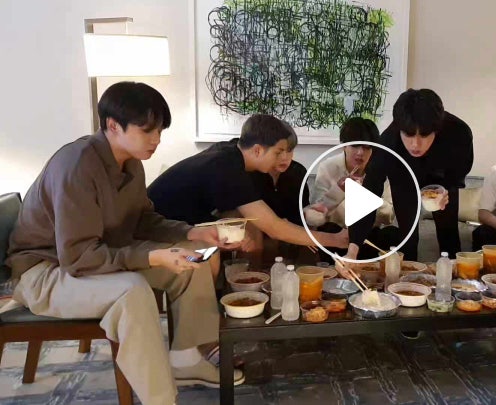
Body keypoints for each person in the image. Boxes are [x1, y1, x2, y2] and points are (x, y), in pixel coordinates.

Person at [4, 82, 243, 405]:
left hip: (95, 259)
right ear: (113, 126)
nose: (156, 139)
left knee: (194, 262)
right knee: (133, 292)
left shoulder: (130, 163)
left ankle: (186, 360)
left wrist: (192, 233)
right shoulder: (76, 166)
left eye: (160, 130)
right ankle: (161, 400)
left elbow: (141, 220)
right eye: (147, 131)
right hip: (46, 272)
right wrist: (153, 256)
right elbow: (78, 258)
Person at [147, 114, 348, 254]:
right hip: (155, 227)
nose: (282, 158)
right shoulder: (229, 167)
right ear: (258, 150)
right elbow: (274, 227)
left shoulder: (231, 151)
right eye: (278, 152)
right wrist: (336, 240)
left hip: (178, 223)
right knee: (210, 256)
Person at [342, 89, 473, 264]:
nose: (415, 144)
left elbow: (460, 169)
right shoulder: (388, 143)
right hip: (403, 177)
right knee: (407, 235)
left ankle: (452, 272)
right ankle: (408, 276)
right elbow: (369, 194)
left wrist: (446, 188)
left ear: (436, 129)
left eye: (424, 135)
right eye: (409, 134)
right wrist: (352, 251)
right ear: (400, 128)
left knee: (448, 229)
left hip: (442, 174)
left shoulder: (459, 133)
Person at [307, 117, 401, 259]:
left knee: (392, 234)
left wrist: (366, 195)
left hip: (369, 235)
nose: (360, 153)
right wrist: (339, 190)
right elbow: (317, 217)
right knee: (327, 230)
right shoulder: (328, 167)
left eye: (366, 147)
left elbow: (388, 216)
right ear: (344, 146)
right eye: (355, 146)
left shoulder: (381, 169)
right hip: (338, 233)